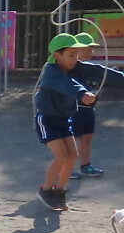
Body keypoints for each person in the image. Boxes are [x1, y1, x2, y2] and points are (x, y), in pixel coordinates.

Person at [34, 33, 97, 212]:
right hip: (47, 120)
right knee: (62, 156)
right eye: (71, 54)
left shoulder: (72, 70)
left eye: (76, 54)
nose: (76, 58)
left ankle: (59, 191)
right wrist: (82, 94)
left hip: (63, 119)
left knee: (72, 156)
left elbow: (95, 73)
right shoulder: (52, 72)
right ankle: (45, 190)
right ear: (57, 55)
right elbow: (69, 86)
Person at [69, 30, 124, 177]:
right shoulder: (71, 68)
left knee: (87, 138)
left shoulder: (91, 68)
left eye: (90, 49)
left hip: (88, 109)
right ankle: (68, 168)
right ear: (74, 51)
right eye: (84, 49)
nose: (88, 52)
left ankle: (85, 165)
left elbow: (105, 73)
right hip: (73, 109)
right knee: (72, 140)